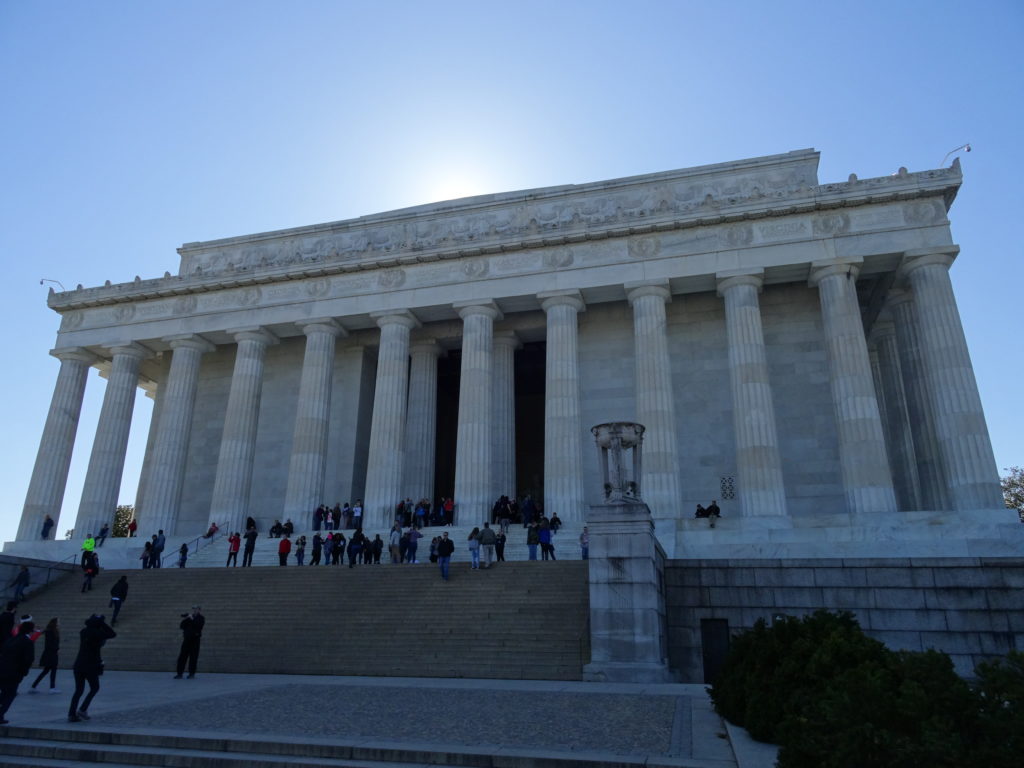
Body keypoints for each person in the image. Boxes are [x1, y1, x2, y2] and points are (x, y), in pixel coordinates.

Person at [68, 614, 115, 722]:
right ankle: (83, 709)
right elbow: (112, 634)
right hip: (90, 665)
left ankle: (71, 714)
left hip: (79, 664)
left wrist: (97, 622)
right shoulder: (97, 633)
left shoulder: (83, 631)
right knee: (94, 688)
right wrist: (102, 623)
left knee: (78, 691)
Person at [0, 618, 35, 724]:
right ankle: (0, 714)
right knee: (9, 694)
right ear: (30, 631)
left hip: (3, 670)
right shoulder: (27, 642)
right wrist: (23, 672)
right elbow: (28, 659)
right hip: (14, 673)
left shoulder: (10, 640)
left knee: (5, 693)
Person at [29, 617, 59, 694]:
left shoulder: (51, 631)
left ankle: (34, 686)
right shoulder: (51, 632)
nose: (59, 623)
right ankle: (52, 688)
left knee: (46, 671)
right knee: (52, 671)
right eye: (58, 622)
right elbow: (50, 643)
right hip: (51, 654)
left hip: (50, 653)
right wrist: (56, 648)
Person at [174, 606, 204, 679]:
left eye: (196, 609)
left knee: (193, 657)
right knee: (182, 657)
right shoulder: (189, 618)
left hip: (195, 640)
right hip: (187, 640)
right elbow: (182, 626)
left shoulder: (201, 618)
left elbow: (199, 626)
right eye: (194, 609)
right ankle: (179, 673)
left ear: (199, 610)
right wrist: (185, 619)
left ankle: (191, 674)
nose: (194, 610)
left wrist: (192, 618)